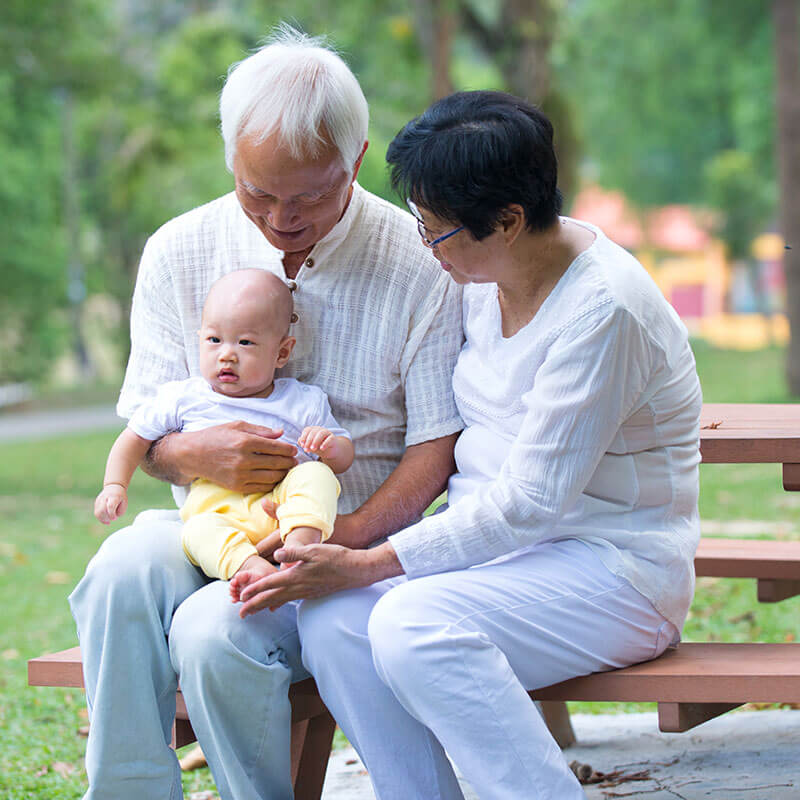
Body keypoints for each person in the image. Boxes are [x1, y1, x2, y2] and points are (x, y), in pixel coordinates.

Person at [234, 91, 703, 800]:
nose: (428, 248)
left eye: (438, 232)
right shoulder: (481, 275)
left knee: (410, 622)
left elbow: (530, 506)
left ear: (509, 221)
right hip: (497, 565)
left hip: (613, 571)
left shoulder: (604, 311)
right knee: (334, 623)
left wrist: (368, 562)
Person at [69, 27, 463, 800]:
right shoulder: (178, 250)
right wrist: (192, 455)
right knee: (117, 571)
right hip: (207, 527)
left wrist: (334, 545)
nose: (281, 217)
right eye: (258, 192)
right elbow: (149, 434)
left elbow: (435, 449)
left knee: (216, 632)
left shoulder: (420, 263)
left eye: (310, 194)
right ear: (231, 163)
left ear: (354, 160)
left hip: (344, 544)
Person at [94, 269, 353, 584]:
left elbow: (343, 458)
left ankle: (300, 546)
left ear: (282, 352)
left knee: (316, 474)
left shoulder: (302, 401)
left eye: (245, 343)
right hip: (216, 513)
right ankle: (248, 568)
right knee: (196, 531)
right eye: (214, 340)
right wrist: (114, 486)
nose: (227, 355)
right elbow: (133, 438)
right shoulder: (184, 397)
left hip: (281, 509)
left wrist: (329, 446)